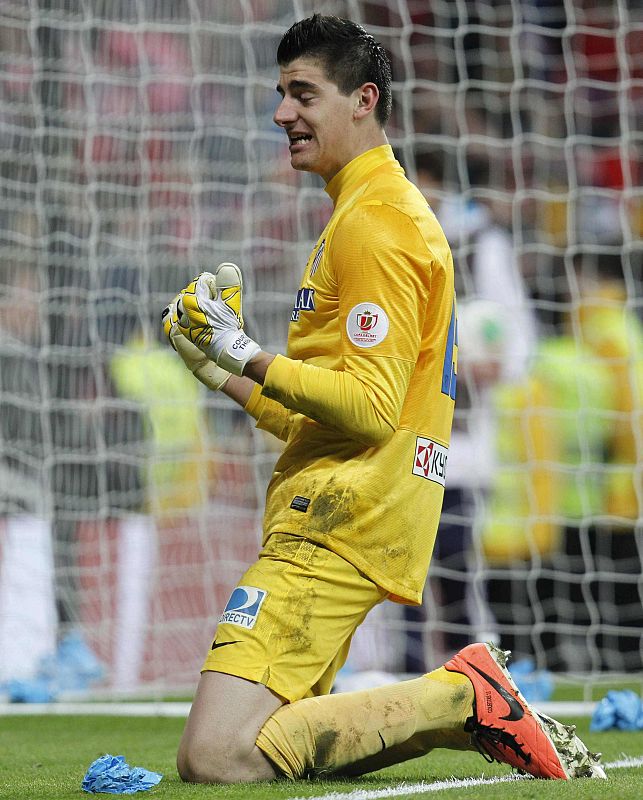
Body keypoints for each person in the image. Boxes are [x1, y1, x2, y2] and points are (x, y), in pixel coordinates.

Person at [161, 14, 604, 785]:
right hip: (346, 503)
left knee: (216, 755)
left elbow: (368, 408)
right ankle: (461, 701)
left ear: (363, 100)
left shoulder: (374, 223)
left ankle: (458, 695)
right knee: (272, 746)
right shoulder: (364, 212)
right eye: (280, 93)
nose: (281, 113)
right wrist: (221, 370)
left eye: (303, 94)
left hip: (338, 518)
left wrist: (246, 350)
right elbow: (323, 415)